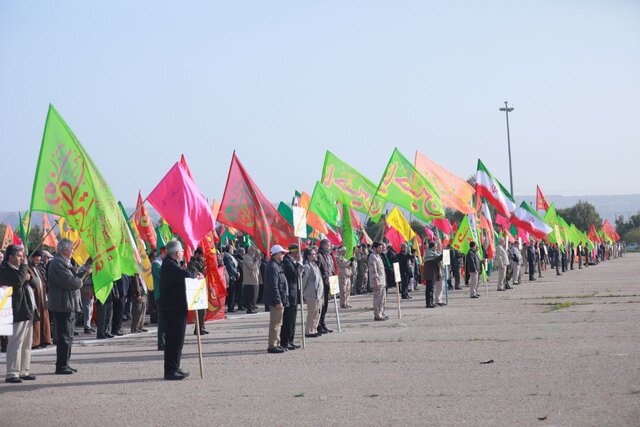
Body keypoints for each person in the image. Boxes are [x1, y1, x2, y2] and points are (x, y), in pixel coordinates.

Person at [160, 240, 199, 380]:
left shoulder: (173, 264)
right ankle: (170, 370)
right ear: (177, 253)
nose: (183, 253)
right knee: (174, 341)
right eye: (182, 251)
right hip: (173, 309)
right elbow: (187, 276)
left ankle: (175, 366)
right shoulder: (170, 265)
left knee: (177, 340)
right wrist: (195, 275)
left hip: (176, 308)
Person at [47, 238, 85, 375]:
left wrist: (82, 273)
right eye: (72, 249)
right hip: (62, 304)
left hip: (68, 304)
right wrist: (81, 279)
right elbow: (71, 282)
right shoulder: (57, 263)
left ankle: (65, 363)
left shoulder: (64, 262)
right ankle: (61, 365)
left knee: (69, 336)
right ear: (64, 250)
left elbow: (73, 279)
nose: (73, 251)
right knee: (64, 336)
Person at [1, 245, 36, 383]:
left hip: (26, 309)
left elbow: (34, 283)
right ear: (10, 257)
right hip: (14, 311)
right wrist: (24, 268)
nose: (22, 258)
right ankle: (12, 372)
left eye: (22, 256)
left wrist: (29, 276)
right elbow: (17, 281)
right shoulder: (4, 269)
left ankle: (23, 370)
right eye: (19, 256)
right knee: (15, 343)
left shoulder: (19, 269)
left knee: (26, 343)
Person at [263, 245, 289, 354]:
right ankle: (272, 345)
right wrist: (278, 301)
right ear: (277, 254)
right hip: (276, 300)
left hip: (280, 298)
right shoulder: (273, 266)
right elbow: (274, 286)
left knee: (279, 323)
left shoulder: (276, 265)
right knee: (275, 323)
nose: (283, 255)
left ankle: (277, 343)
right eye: (282, 253)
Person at [28, 250, 52, 348]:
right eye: (36, 260)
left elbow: (44, 281)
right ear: (31, 258)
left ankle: (44, 339)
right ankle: (35, 341)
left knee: (44, 318)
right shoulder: (27, 269)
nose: (37, 262)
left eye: (39, 260)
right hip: (34, 298)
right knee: (36, 319)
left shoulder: (39, 269)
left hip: (42, 297)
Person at [280, 244, 301, 350]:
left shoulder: (291, 261)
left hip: (294, 293)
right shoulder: (287, 261)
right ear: (294, 252)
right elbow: (293, 274)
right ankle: (285, 341)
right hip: (289, 294)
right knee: (288, 319)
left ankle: (291, 340)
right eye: (298, 252)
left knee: (293, 319)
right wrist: (298, 264)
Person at [301, 247, 323, 337]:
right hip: (311, 293)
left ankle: (314, 329)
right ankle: (308, 331)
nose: (316, 255)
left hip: (318, 293)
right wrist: (302, 293)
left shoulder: (315, 265)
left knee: (317, 312)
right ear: (308, 256)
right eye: (313, 254)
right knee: (312, 312)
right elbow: (304, 281)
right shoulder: (307, 266)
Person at [187, 249, 208, 335]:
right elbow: (195, 274)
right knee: (200, 311)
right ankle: (198, 330)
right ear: (196, 254)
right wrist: (200, 273)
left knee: (203, 310)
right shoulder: (191, 263)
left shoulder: (200, 262)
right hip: (195, 289)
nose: (201, 257)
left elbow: (202, 273)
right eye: (200, 255)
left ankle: (201, 327)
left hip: (201, 287)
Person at [316, 239, 335, 334]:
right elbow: (317, 270)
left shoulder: (329, 256)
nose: (330, 246)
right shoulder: (319, 256)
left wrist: (333, 278)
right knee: (321, 305)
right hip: (322, 283)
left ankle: (323, 323)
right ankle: (318, 325)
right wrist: (324, 278)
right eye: (328, 245)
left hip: (329, 283)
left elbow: (331, 269)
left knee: (326, 305)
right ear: (323, 246)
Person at [369, 242, 387, 321]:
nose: (381, 249)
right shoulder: (372, 256)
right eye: (379, 248)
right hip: (377, 281)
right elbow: (373, 270)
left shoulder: (378, 256)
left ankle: (382, 313)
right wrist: (376, 279)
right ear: (375, 248)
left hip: (382, 280)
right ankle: (377, 315)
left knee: (383, 299)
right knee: (377, 298)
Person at [152, 247, 166, 349]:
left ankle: (166, 341)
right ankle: (161, 343)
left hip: (167, 295)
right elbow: (163, 276)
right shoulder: (156, 264)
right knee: (162, 320)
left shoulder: (166, 263)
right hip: (160, 295)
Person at [422, 241, 443, 308]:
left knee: (431, 289)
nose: (436, 248)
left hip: (432, 274)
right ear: (432, 247)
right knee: (429, 289)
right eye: (435, 246)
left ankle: (431, 302)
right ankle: (428, 303)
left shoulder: (434, 253)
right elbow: (435, 260)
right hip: (429, 274)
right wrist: (442, 256)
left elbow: (436, 258)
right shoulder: (428, 253)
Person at [242, 246, 261, 314]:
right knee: (251, 295)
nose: (254, 252)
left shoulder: (252, 257)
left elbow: (257, 266)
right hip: (250, 280)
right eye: (253, 250)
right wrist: (257, 260)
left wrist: (258, 260)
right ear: (249, 250)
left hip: (254, 279)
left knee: (255, 295)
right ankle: (250, 309)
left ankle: (253, 307)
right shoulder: (247, 257)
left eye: (255, 251)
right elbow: (252, 267)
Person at [78, 258, 95, 334]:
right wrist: (87, 273)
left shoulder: (92, 268)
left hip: (91, 288)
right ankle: (86, 327)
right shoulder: (82, 268)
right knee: (87, 309)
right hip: (85, 288)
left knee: (90, 309)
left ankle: (88, 325)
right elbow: (81, 279)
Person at [222, 245, 240, 312]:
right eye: (232, 248)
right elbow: (230, 267)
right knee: (230, 293)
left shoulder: (231, 256)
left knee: (233, 293)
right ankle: (230, 308)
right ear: (229, 249)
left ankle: (231, 307)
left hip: (234, 276)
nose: (233, 249)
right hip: (230, 277)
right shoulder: (226, 257)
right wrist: (236, 273)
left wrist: (237, 271)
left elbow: (235, 266)